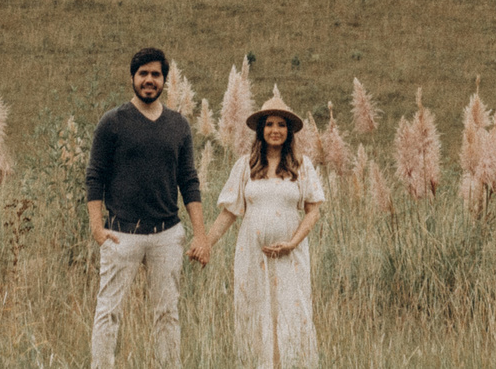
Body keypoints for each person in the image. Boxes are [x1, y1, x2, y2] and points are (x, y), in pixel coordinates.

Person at [85, 47, 207, 369]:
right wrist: (98, 228)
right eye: (143, 74)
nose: (149, 80)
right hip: (121, 233)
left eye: (156, 74)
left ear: (164, 80)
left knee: (167, 313)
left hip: (167, 234)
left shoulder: (178, 125)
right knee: (108, 312)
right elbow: (94, 176)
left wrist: (200, 235)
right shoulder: (112, 122)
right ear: (133, 78)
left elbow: (189, 180)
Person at [199, 90, 326, 369]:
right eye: (269, 124)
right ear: (261, 129)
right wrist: (206, 242)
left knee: (290, 313)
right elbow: (229, 212)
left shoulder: (301, 166)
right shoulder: (245, 166)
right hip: (252, 256)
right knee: (256, 312)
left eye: (281, 125)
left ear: (289, 131)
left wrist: (292, 243)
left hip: (290, 257)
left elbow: (313, 211)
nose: (275, 130)